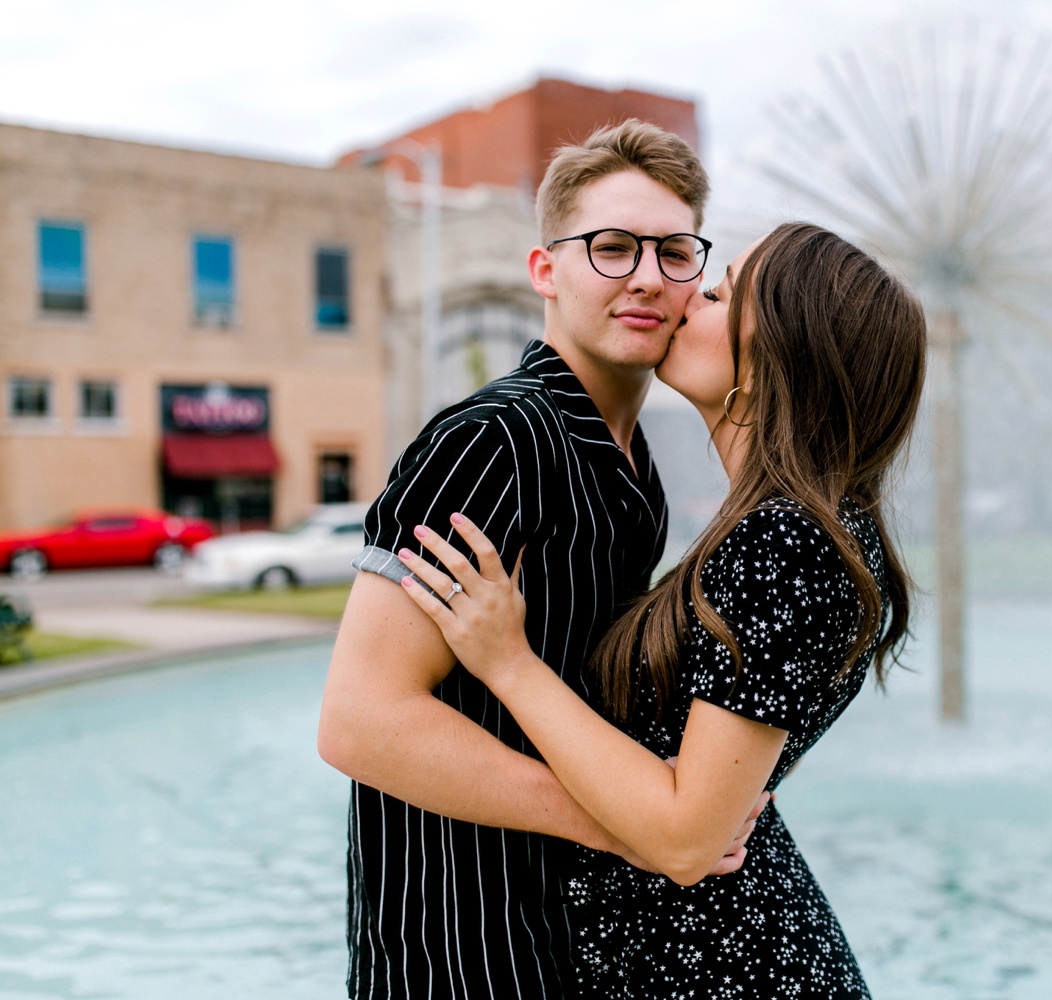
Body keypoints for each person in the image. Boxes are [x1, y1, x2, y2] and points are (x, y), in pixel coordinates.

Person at [395, 221, 928, 998]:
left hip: (720, 971)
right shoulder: (815, 528)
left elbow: (683, 841)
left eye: (715, 295)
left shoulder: (785, 541)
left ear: (779, 354)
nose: (682, 303)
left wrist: (506, 660)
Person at [317, 119, 766, 1000]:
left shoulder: (631, 464)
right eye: (610, 247)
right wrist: (624, 826)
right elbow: (359, 721)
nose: (646, 276)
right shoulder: (494, 441)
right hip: (462, 950)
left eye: (675, 253)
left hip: (567, 940)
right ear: (545, 270)